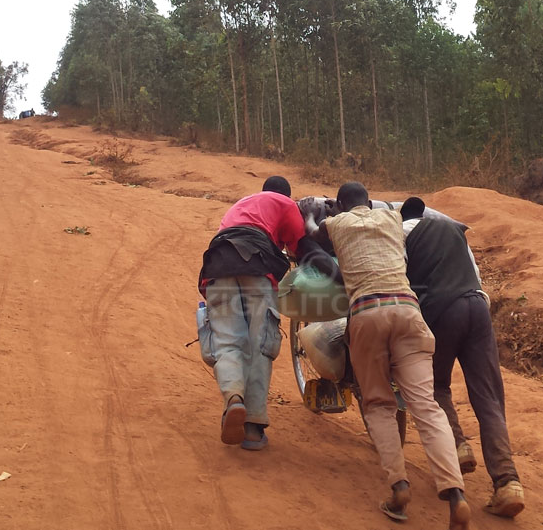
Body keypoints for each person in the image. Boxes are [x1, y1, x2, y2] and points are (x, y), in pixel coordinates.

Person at [320, 181, 471, 529]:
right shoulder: (391, 218)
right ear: (370, 202)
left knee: (378, 404)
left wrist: (328, 219)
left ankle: (399, 488)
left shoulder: (336, 224)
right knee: (427, 407)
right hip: (407, 312)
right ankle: (456, 495)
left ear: (341, 205)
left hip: (367, 315)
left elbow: (312, 243)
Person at [401, 197, 526, 518]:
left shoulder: (400, 232)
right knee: (488, 399)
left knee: (436, 385)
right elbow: (474, 271)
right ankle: (507, 482)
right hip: (477, 306)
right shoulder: (453, 230)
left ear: (403, 216)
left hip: (443, 311)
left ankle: (457, 447)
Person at [197, 175, 306, 451]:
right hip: (257, 267)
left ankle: (234, 398)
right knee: (260, 344)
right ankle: (254, 429)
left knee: (226, 341)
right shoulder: (284, 202)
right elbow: (300, 247)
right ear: (286, 194)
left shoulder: (242, 205)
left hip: (217, 266)